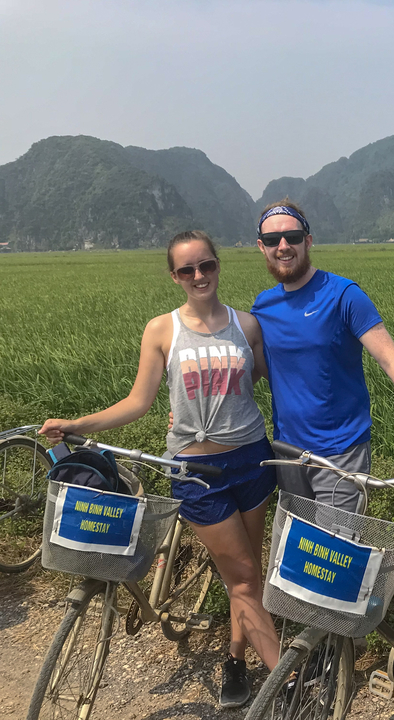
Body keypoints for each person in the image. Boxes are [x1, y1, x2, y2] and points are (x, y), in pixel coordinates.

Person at [40, 231, 281, 709]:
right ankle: (287, 680)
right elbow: (138, 401)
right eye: (187, 270)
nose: (199, 276)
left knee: (247, 575)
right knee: (245, 580)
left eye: (206, 266)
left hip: (252, 458)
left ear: (218, 266)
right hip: (195, 470)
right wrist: (77, 424)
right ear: (174, 276)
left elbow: (258, 377)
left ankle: (236, 660)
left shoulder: (247, 325)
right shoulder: (162, 330)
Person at [250, 200, 394, 511]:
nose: (283, 246)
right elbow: (255, 367)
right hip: (288, 453)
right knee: (291, 556)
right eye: (272, 240)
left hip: (340, 452)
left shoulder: (343, 295)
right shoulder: (263, 306)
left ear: (307, 241)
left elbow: (391, 359)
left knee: (334, 554)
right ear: (261, 246)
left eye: (292, 237)